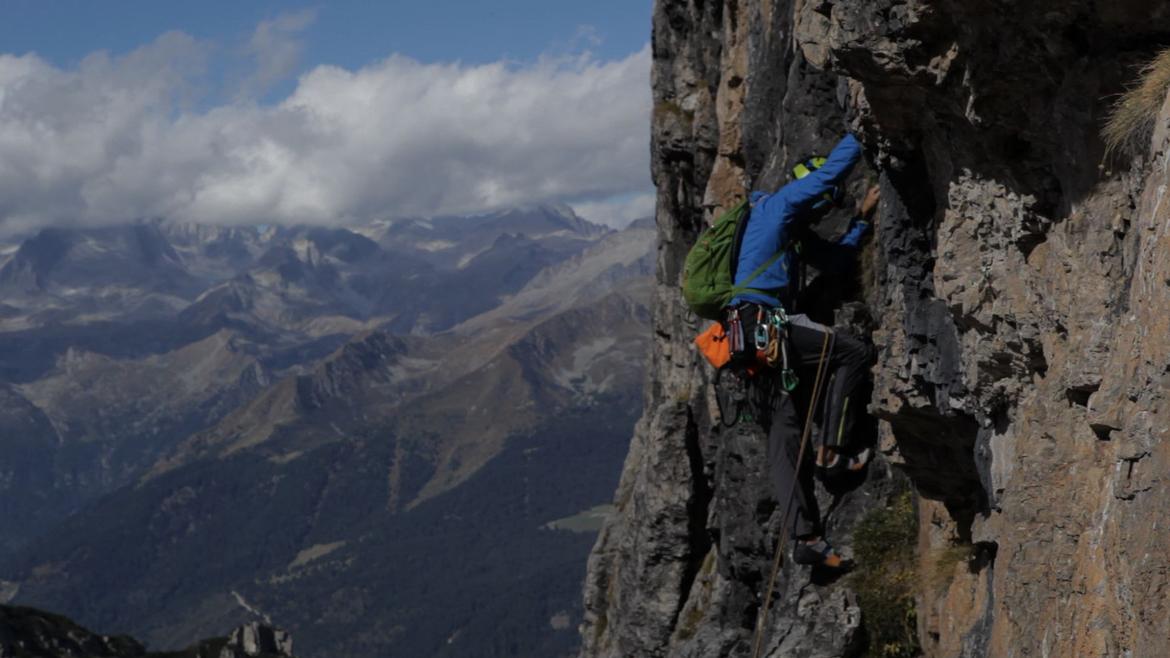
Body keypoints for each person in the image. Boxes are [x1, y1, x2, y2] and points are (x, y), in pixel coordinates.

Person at [728, 133, 878, 569]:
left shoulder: (789, 232)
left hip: (748, 339)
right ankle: (833, 451)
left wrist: (859, 222)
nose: (822, 210)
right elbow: (830, 173)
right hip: (767, 325)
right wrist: (858, 129)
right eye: (823, 203)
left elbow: (833, 261)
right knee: (853, 353)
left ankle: (806, 537)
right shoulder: (778, 207)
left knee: (785, 437)